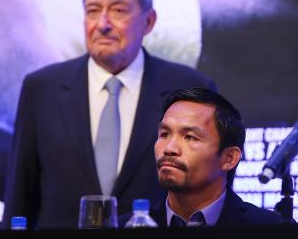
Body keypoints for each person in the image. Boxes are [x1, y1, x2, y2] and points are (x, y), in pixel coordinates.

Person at [1, 0, 216, 229]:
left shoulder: (190, 89)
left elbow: (210, 193)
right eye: (93, 11)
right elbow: (20, 196)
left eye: (118, 10)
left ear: (148, 21)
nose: (102, 24)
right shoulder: (42, 89)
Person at [120, 87, 282, 227]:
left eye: (190, 137)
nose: (169, 148)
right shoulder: (125, 227)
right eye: (164, 134)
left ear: (229, 158)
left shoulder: (269, 227)